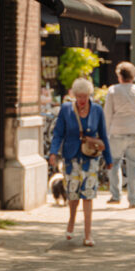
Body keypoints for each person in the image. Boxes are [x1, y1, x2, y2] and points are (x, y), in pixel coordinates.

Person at [48, 77, 111, 246]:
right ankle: (71, 221)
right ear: (74, 96)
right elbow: (58, 133)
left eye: (85, 96)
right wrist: (53, 152)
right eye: (79, 96)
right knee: (73, 194)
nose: (82, 100)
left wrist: (109, 158)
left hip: (90, 158)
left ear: (89, 95)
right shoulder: (66, 109)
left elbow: (103, 135)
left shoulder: (97, 110)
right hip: (71, 157)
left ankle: (88, 234)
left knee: (88, 195)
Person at [103, 61, 135, 208]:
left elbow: (107, 114)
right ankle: (133, 199)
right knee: (133, 166)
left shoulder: (113, 91)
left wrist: (104, 134)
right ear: (133, 76)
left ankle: (116, 195)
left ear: (120, 76)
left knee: (114, 163)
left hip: (117, 132)